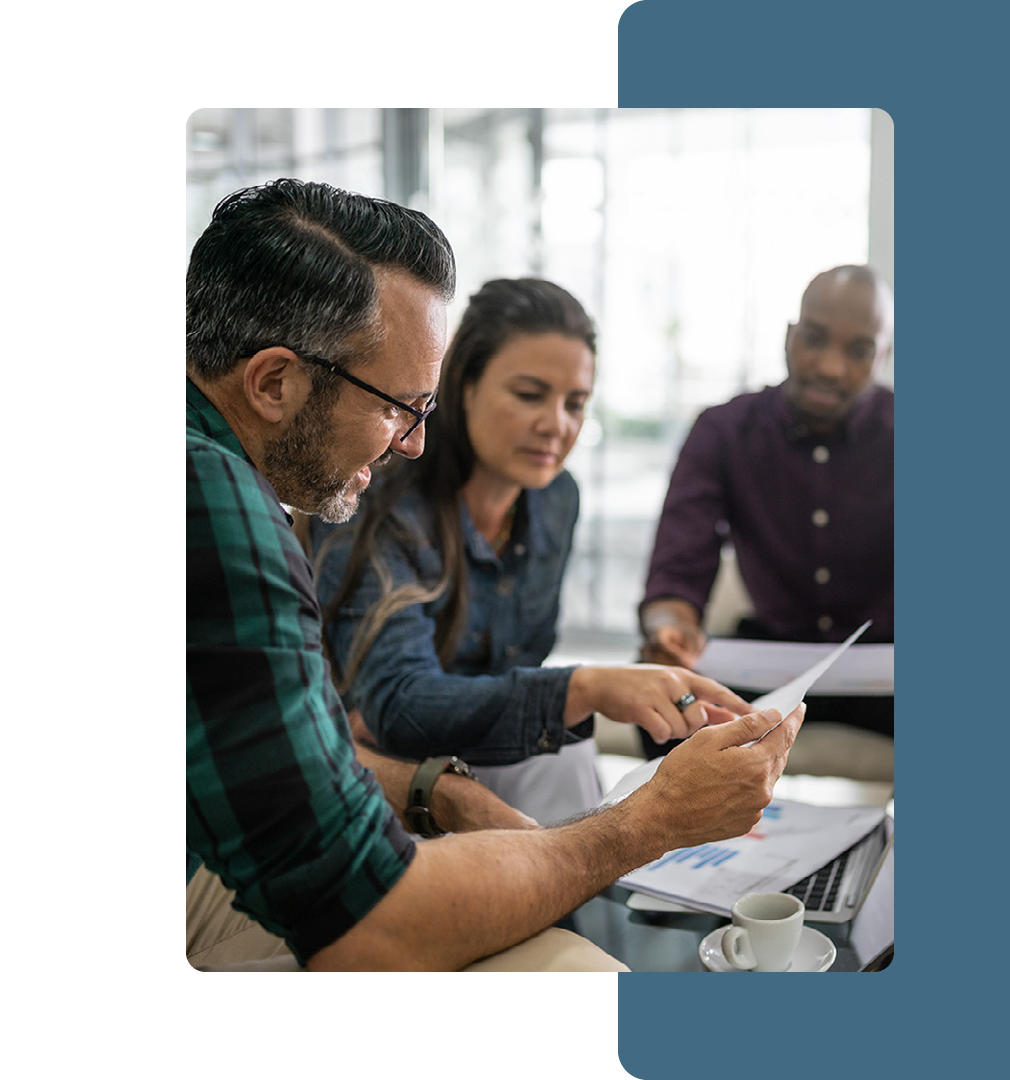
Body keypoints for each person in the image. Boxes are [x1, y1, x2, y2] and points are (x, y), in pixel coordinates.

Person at [187, 177, 805, 972]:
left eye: (421, 408)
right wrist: (653, 818)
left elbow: (276, 748)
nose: (410, 440)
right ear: (273, 382)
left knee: (562, 773)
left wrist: (432, 787)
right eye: (398, 406)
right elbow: (370, 922)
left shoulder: (232, 486)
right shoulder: (222, 504)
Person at [309, 278, 752, 824]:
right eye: (528, 395)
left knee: (568, 760)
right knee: (565, 759)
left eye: (576, 403)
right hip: (369, 767)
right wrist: (585, 685)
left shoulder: (555, 499)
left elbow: (517, 668)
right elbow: (399, 707)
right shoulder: (380, 502)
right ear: (463, 386)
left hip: (480, 750)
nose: (557, 425)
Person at [639, 265, 893, 751]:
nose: (830, 367)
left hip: (886, 670)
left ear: (884, 355)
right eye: (814, 339)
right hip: (768, 659)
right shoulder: (724, 431)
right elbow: (678, 568)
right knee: (663, 698)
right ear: (789, 336)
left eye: (858, 351)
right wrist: (669, 629)